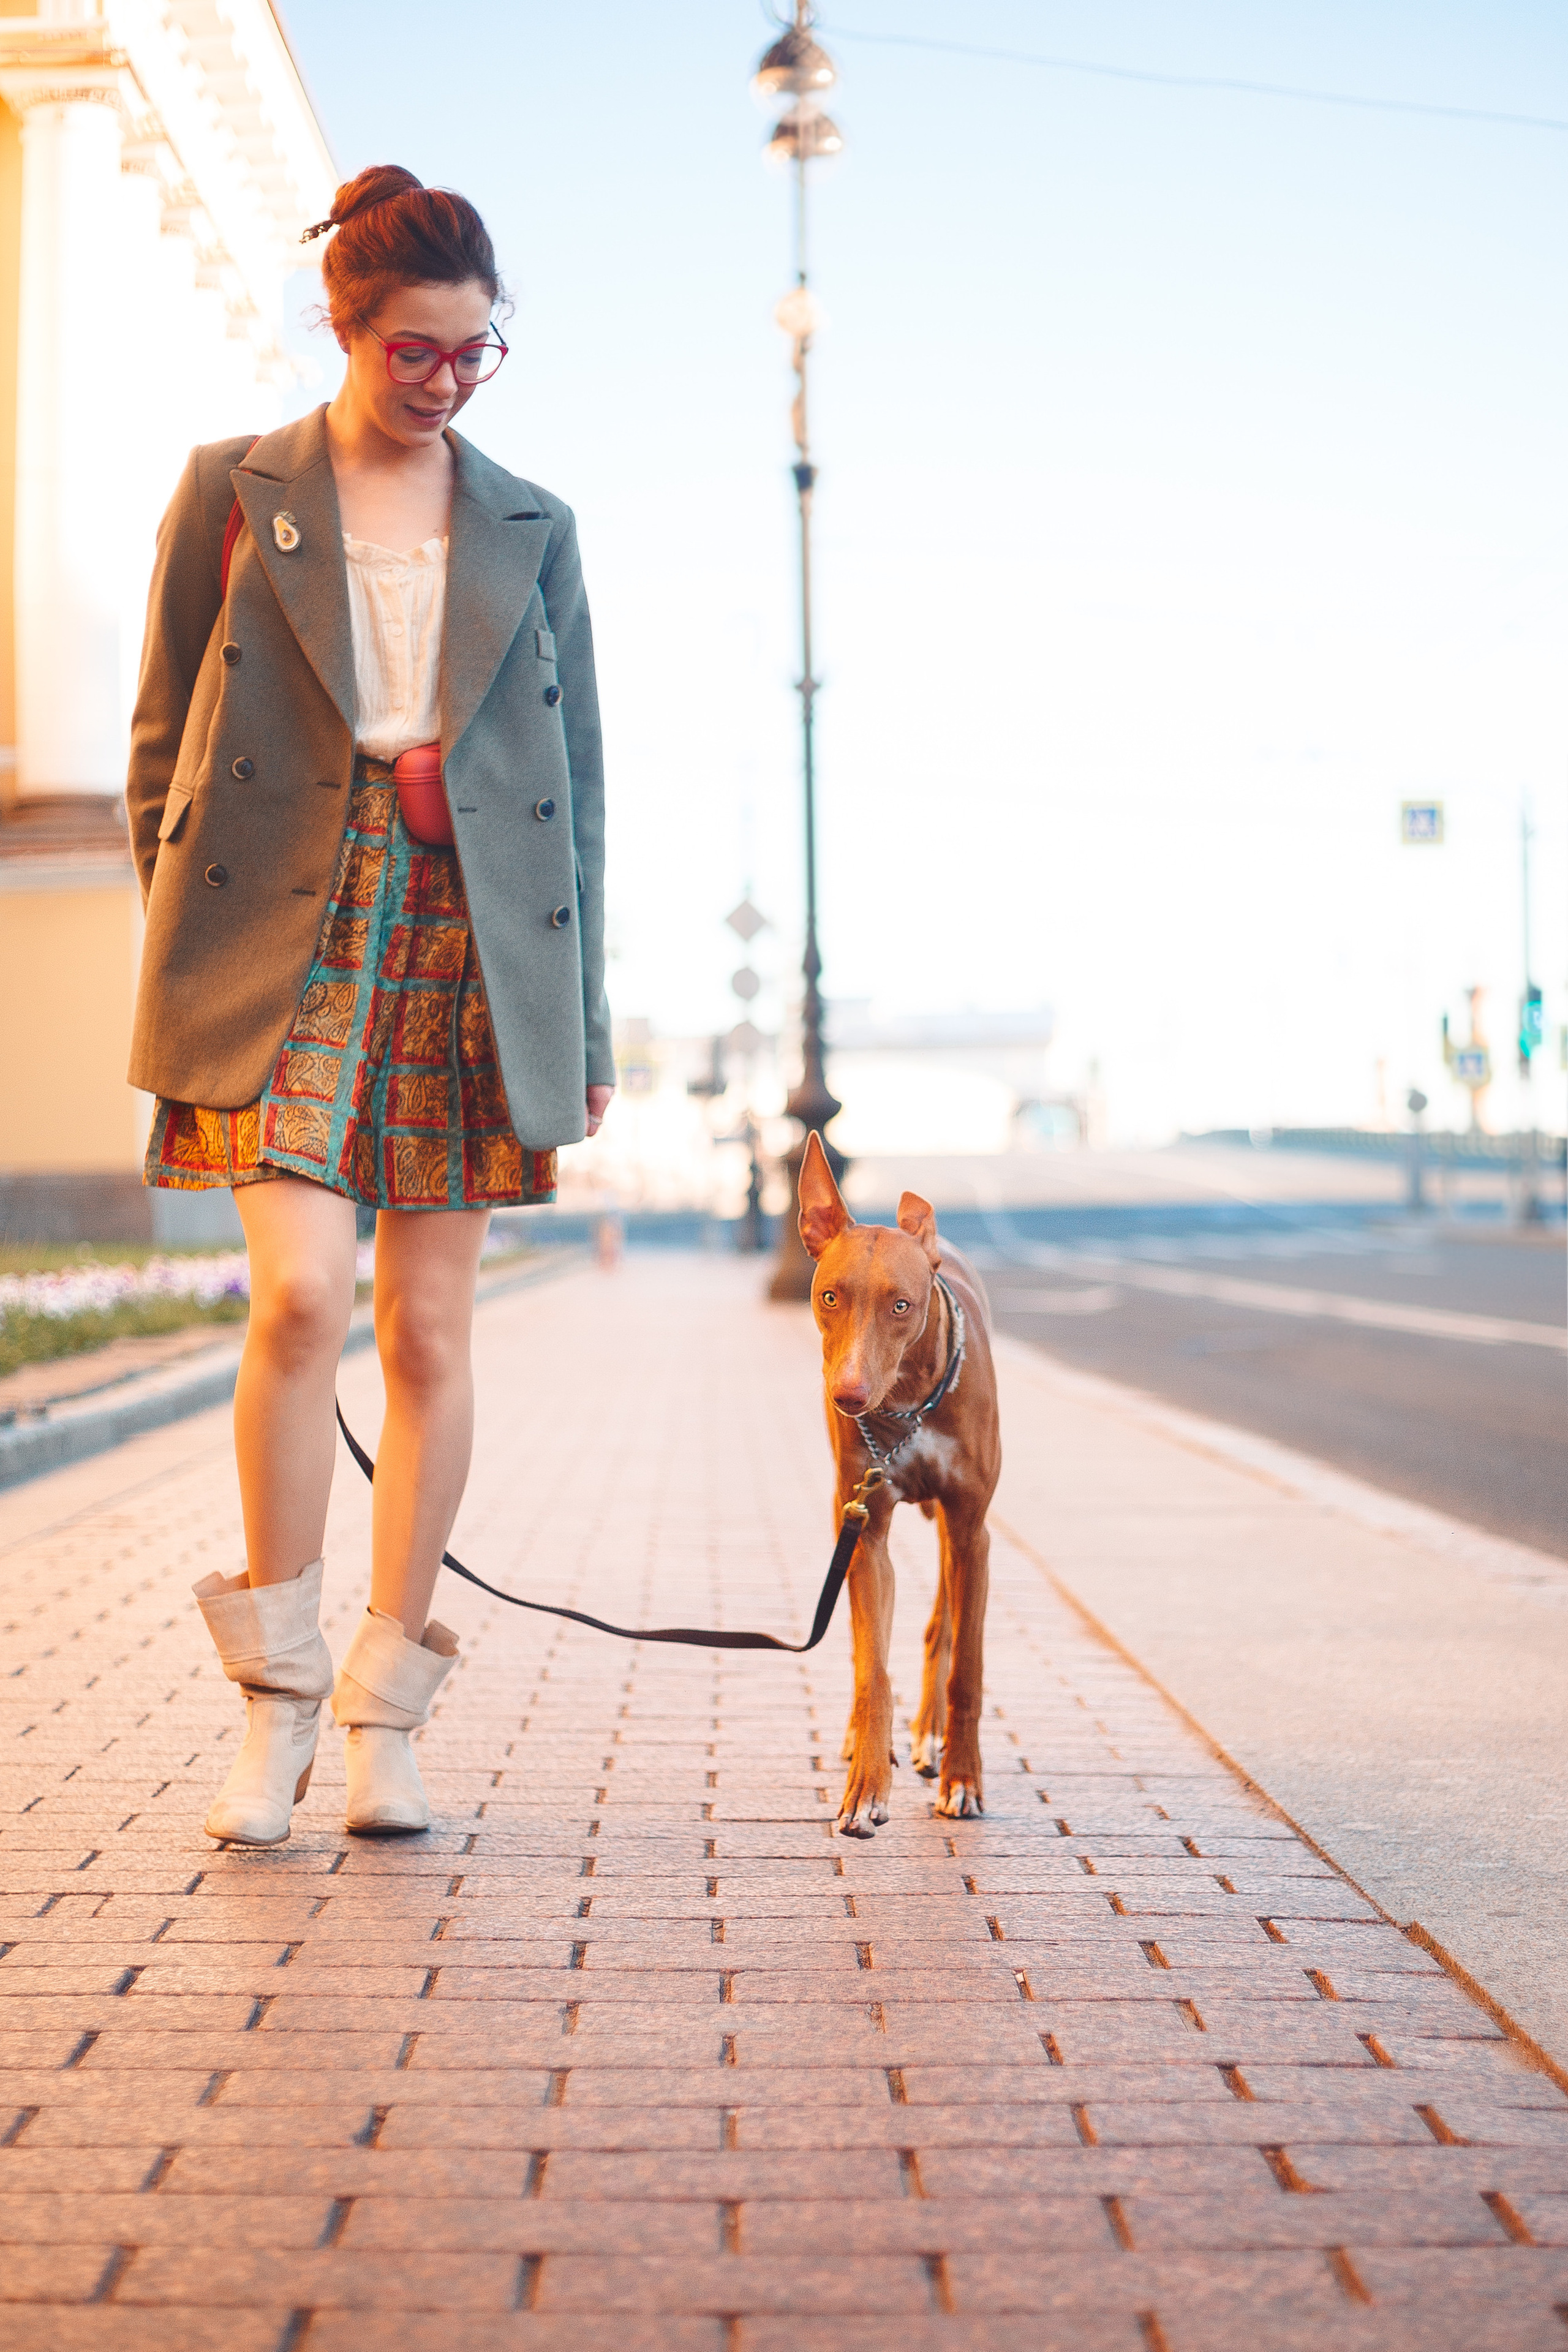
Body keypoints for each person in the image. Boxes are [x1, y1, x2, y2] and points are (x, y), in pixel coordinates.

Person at [125, 166, 614, 1845]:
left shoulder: (533, 526)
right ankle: (268, 1705)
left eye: (478, 355)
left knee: (424, 1333)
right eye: (420, 353)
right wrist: (182, 938)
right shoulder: (232, 491)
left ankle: (385, 1718)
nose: (449, 382)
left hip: (475, 943)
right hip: (283, 936)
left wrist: (586, 1026)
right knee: (300, 1306)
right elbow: (154, 744)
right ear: (347, 325)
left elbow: (578, 795)